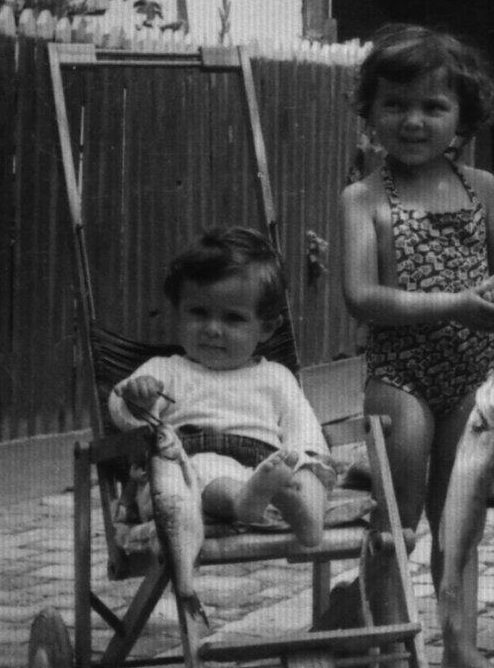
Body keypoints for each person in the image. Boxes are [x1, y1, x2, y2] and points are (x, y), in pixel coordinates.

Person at [338, 23, 494, 668]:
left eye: (432, 106)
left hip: (473, 373)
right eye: (395, 104)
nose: (413, 121)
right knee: (398, 514)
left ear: (463, 116)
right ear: (370, 111)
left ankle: (461, 647)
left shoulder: (484, 189)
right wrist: (457, 303)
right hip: (401, 375)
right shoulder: (363, 199)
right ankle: (388, 644)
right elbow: (362, 297)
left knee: (461, 516)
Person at [110, 226, 333, 547]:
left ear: (267, 328)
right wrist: (138, 401)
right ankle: (241, 502)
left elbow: (303, 427)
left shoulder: (276, 376)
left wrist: (301, 461)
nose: (213, 329)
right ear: (178, 313)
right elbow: (122, 411)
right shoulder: (165, 370)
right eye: (199, 313)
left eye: (233, 318)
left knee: (308, 467)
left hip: (267, 471)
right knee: (201, 468)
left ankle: (307, 516)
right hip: (187, 471)